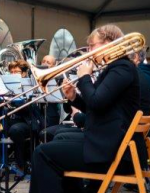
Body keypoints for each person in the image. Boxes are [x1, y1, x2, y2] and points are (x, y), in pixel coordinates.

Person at [30, 24, 144, 193]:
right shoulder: (116, 69)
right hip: (107, 143)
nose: (89, 49)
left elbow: (96, 102)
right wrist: (74, 98)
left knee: (42, 153)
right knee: (58, 139)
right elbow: (95, 107)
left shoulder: (122, 68)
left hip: (113, 153)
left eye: (92, 45)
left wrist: (84, 77)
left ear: (109, 43)